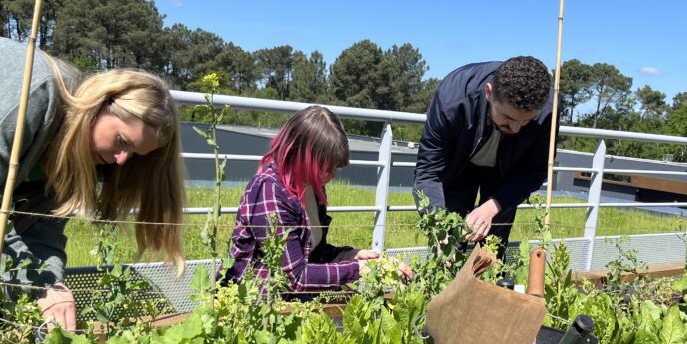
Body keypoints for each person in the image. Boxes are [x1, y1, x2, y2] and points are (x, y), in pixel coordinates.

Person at [0, 36, 186, 333]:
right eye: (122, 141)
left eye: (134, 154)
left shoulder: (84, 151)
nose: (122, 160)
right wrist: (38, 288)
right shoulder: (31, 95)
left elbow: (44, 228)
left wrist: (50, 284)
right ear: (100, 105)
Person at [224, 106, 408, 294]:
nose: (333, 174)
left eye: (336, 168)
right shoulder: (270, 190)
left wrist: (352, 256)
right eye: (329, 167)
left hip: (289, 302)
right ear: (305, 156)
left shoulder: (313, 188)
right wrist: (358, 269)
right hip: (255, 305)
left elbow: (313, 254)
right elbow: (294, 278)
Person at [413, 56, 553, 250]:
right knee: (449, 240)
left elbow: (534, 171)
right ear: (489, 93)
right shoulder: (452, 98)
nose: (516, 129)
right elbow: (428, 171)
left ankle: (488, 276)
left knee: (493, 249)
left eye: (526, 121)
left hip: (506, 175)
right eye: (508, 117)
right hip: (458, 166)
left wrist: (494, 205)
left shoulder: (546, 109)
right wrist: (438, 227)